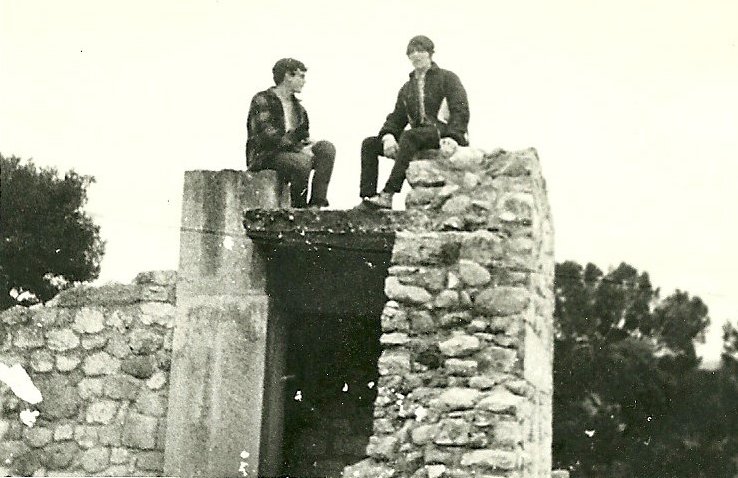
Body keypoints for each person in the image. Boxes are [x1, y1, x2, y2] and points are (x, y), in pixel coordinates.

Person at [360, 35, 470, 209]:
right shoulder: (407, 88)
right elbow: (397, 118)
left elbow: (460, 109)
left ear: (430, 53)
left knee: (410, 136)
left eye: (421, 50)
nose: (416, 55)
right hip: (416, 138)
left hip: (441, 133)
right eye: (411, 52)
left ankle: (388, 193)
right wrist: (388, 136)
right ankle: (368, 197)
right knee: (369, 144)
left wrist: (453, 136)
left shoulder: (447, 78)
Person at [246, 58, 336, 208]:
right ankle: (298, 208)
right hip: (265, 156)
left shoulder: (299, 109)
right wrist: (299, 148)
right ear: (288, 76)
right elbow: (268, 136)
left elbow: (302, 134)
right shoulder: (262, 99)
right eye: (301, 76)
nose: (304, 81)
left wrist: (307, 143)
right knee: (301, 162)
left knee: (326, 148)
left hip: (290, 154)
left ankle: (316, 205)